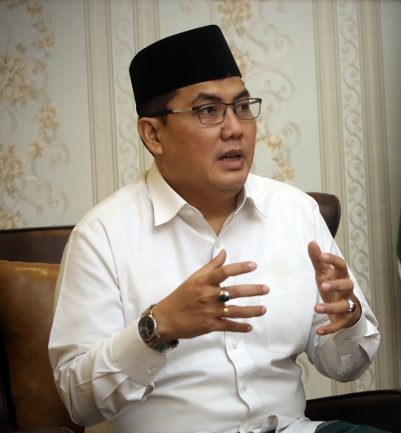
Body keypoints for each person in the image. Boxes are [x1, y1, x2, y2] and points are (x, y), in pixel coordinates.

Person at [48, 25, 381, 433]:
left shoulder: (295, 212)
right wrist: (159, 327)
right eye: (208, 111)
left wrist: (349, 318)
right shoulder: (102, 236)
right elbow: (78, 400)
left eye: (242, 107)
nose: (235, 128)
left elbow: (344, 367)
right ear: (153, 134)